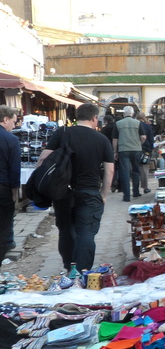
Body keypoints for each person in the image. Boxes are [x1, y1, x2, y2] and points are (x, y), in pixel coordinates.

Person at [39, 103, 113, 272]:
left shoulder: (62, 133)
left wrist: (43, 183)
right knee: (86, 233)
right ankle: (83, 271)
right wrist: (104, 194)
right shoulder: (101, 139)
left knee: (66, 230)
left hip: (63, 192)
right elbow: (109, 169)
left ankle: (69, 268)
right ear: (94, 118)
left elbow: (44, 158)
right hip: (90, 191)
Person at [112, 106, 146, 202]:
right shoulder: (138, 123)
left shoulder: (118, 124)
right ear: (133, 114)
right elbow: (143, 137)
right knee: (135, 170)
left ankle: (126, 196)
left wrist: (115, 151)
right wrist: (139, 143)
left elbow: (115, 139)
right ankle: (135, 192)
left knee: (125, 172)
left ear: (123, 114)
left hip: (123, 150)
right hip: (136, 149)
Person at [0, 106, 20, 264]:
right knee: (4, 222)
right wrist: (15, 193)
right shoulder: (11, 139)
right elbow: (14, 170)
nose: (14, 126)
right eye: (13, 122)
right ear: (5, 119)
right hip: (2, 187)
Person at [135, 112, 154, 194]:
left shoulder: (134, 125)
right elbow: (151, 139)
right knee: (144, 169)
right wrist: (151, 149)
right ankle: (145, 187)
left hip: (135, 148)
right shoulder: (148, 126)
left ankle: (135, 189)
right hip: (145, 149)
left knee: (135, 169)